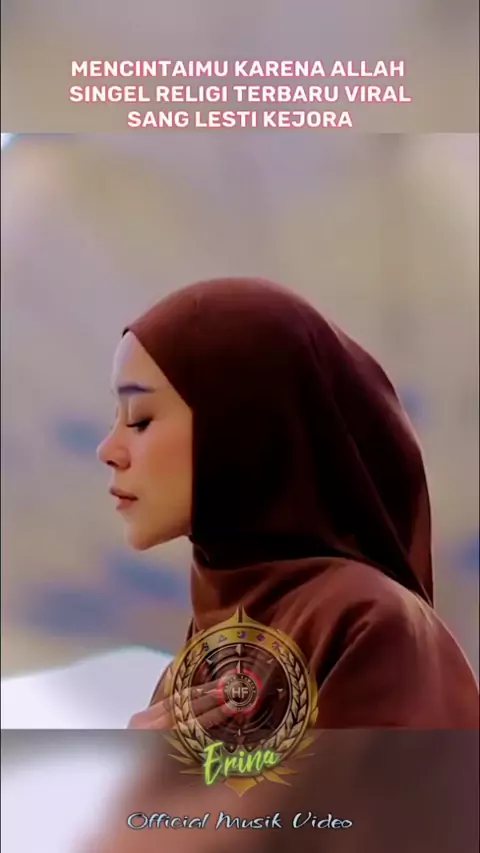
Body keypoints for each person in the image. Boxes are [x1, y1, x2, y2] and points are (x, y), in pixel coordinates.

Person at [97, 277, 478, 729]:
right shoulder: (200, 656)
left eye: (139, 419)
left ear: (239, 423)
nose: (109, 449)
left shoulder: (370, 624)